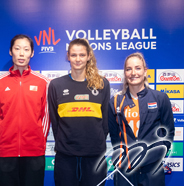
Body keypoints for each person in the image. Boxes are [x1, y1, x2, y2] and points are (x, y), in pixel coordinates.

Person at [48, 38, 110, 186]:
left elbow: (106, 120)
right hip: (66, 157)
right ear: (68, 56)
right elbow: (55, 122)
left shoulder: (102, 84)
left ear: (89, 56)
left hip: (95, 156)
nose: (78, 59)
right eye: (74, 55)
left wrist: (95, 142)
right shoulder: (56, 85)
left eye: (82, 55)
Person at [108, 52, 175, 186]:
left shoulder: (160, 98)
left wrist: (155, 156)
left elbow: (169, 132)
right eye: (129, 69)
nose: (133, 73)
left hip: (152, 169)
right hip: (125, 168)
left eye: (138, 68)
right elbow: (114, 135)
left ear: (145, 71)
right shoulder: (115, 101)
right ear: (125, 73)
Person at [0, 34, 50, 186]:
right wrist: (6, 139)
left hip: (34, 151)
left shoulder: (43, 83)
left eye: (26, 49)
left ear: (32, 53)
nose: (21, 53)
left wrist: (38, 142)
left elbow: (46, 117)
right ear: (11, 52)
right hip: (6, 151)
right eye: (17, 49)